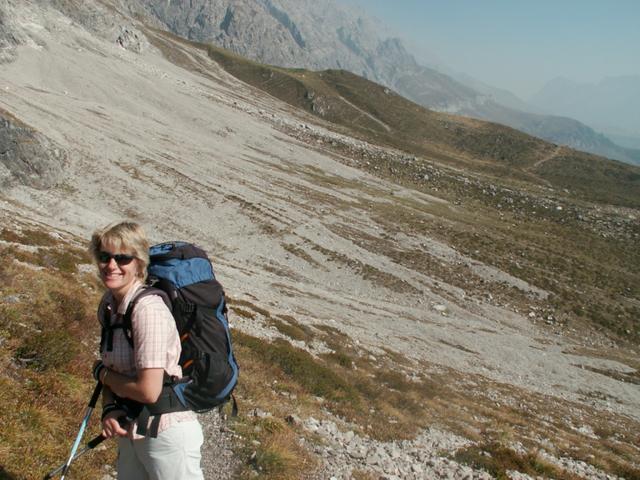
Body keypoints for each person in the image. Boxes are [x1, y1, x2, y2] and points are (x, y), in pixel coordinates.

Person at [89, 221, 204, 480]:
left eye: (123, 258)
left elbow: (148, 390)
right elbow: (113, 369)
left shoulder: (147, 309)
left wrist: (101, 375)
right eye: (105, 256)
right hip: (133, 429)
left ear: (139, 263)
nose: (111, 265)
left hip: (166, 435)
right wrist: (109, 408)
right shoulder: (110, 304)